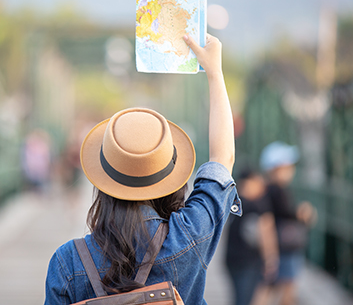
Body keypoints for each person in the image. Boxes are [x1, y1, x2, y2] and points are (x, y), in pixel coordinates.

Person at [44, 34, 240, 304]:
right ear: (171, 178)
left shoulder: (68, 261)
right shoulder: (189, 235)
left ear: (103, 181)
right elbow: (223, 158)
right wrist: (215, 73)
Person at [258, 141, 316, 305]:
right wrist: (303, 213)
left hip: (277, 245)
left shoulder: (268, 188)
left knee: (271, 287)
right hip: (284, 246)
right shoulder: (277, 190)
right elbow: (287, 213)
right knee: (286, 289)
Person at [225, 169, 278, 305]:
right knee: (245, 299)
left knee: (239, 297)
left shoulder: (233, 202)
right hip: (249, 261)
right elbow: (265, 233)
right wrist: (270, 259)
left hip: (231, 259)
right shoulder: (259, 205)